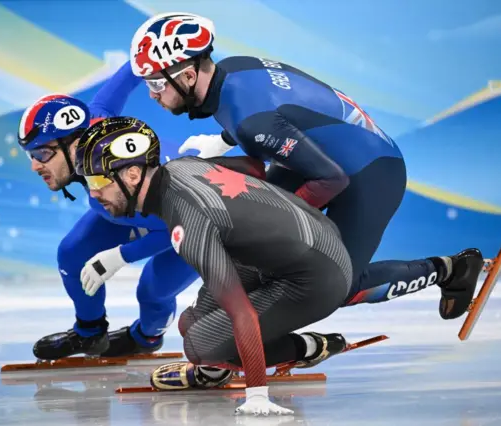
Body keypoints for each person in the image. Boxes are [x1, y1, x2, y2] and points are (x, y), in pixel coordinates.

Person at [128, 12, 484, 320]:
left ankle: (450, 269)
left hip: (370, 172)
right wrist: (222, 142)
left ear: (188, 76)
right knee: (244, 241)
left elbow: (329, 177)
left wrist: (279, 227)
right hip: (322, 157)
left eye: (156, 83)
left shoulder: (253, 122)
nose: (152, 94)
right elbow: (276, 114)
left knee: (335, 286)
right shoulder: (233, 69)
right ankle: (236, 332)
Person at [75, 116, 354, 416]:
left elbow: (241, 311)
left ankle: (307, 347)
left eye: (98, 180)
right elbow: (254, 169)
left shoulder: (187, 223)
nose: (93, 192)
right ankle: (223, 364)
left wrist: (257, 393)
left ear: (131, 174)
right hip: (310, 242)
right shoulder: (181, 166)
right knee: (189, 322)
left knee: (199, 345)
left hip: (318, 278)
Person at [17, 62, 199, 361]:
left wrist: (121, 256)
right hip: (126, 211)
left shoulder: (133, 172)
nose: (35, 166)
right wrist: (146, 52)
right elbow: (127, 77)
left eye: (41, 154)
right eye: (31, 155)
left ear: (73, 144)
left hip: (186, 224)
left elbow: (177, 229)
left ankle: (146, 337)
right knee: (73, 252)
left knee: (153, 291)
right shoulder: (93, 124)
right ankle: (90, 333)